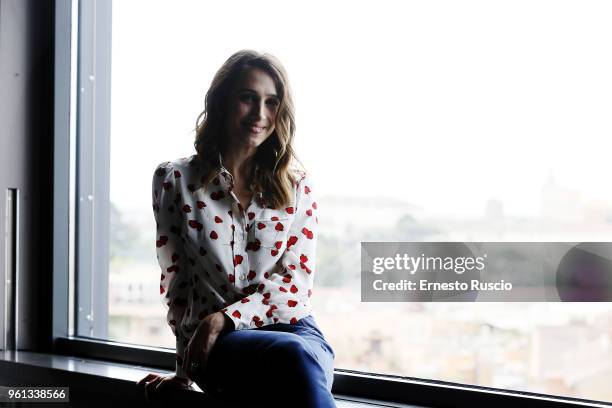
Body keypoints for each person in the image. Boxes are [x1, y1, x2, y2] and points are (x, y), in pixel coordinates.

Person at [137, 50, 336, 407]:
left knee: (298, 356)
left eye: (271, 102)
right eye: (248, 98)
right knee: (291, 360)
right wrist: (185, 372)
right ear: (222, 101)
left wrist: (224, 318)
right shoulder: (176, 180)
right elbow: (178, 287)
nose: (260, 114)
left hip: (299, 333)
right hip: (223, 349)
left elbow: (295, 284)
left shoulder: (297, 186)